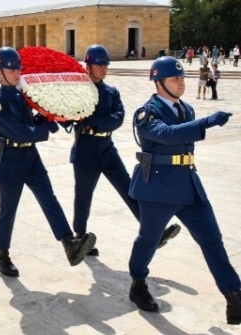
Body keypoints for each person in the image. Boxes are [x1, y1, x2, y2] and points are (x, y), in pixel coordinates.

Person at [127, 56, 241, 325]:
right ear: (159, 82)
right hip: (157, 187)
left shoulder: (187, 109)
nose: (181, 83)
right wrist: (206, 123)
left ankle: (234, 295)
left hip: (189, 186)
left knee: (212, 240)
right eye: (174, 79)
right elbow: (166, 134)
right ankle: (138, 282)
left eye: (182, 78)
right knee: (148, 240)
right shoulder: (146, 113)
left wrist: (199, 121)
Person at [0, 47, 96, 278]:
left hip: (31, 157)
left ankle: (69, 243)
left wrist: (49, 115)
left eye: (18, 67)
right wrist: (46, 127)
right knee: (7, 210)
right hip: (11, 159)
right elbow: (20, 132)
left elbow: (30, 121)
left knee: (49, 198)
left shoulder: (22, 95)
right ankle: (2, 255)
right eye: (11, 68)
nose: (17, 72)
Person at [67, 45, 180, 256]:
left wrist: (93, 122)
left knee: (130, 189)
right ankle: (79, 238)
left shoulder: (112, 92)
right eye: (99, 64)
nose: (103, 68)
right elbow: (70, 116)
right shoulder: (78, 91)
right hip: (86, 149)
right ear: (88, 65)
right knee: (83, 195)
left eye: (105, 65)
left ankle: (152, 232)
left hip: (107, 148)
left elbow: (118, 118)